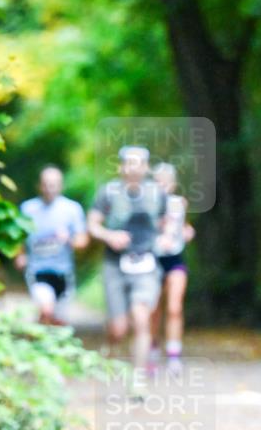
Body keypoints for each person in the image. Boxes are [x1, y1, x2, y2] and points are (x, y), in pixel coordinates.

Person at [88, 146, 167, 387]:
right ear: (121, 167)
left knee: (141, 317)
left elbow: (166, 224)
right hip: (115, 264)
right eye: (129, 163)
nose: (133, 168)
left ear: (146, 167)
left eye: (138, 163)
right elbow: (92, 224)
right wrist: (109, 236)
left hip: (146, 263)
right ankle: (110, 353)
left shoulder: (157, 194)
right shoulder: (108, 193)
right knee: (118, 328)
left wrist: (165, 239)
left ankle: (138, 378)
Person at [15, 165, 88, 325]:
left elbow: (82, 242)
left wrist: (68, 239)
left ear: (61, 185)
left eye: (53, 184)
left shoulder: (72, 209)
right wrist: (20, 255)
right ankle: (41, 337)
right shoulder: (28, 209)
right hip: (37, 271)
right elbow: (18, 237)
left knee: (60, 320)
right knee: (47, 309)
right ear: (39, 186)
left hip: (63, 273)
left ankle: (44, 341)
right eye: (46, 184)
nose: (49, 188)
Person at [149, 162, 195, 373]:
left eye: (166, 182)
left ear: (173, 184)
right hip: (152, 260)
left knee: (175, 307)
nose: (162, 186)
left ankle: (174, 355)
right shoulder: (146, 205)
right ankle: (151, 351)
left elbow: (182, 226)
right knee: (154, 309)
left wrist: (187, 231)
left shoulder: (179, 204)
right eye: (158, 182)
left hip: (175, 259)